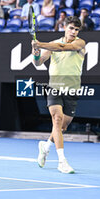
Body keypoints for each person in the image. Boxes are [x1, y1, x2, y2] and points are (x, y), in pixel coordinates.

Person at [32, 16, 86, 174]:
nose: (74, 32)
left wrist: (39, 44)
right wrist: (35, 51)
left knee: (62, 127)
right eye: (71, 28)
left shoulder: (80, 44)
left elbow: (63, 48)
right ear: (64, 27)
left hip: (72, 90)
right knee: (57, 120)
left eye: (76, 29)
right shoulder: (52, 45)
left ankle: (46, 146)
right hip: (54, 88)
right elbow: (38, 62)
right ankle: (62, 161)